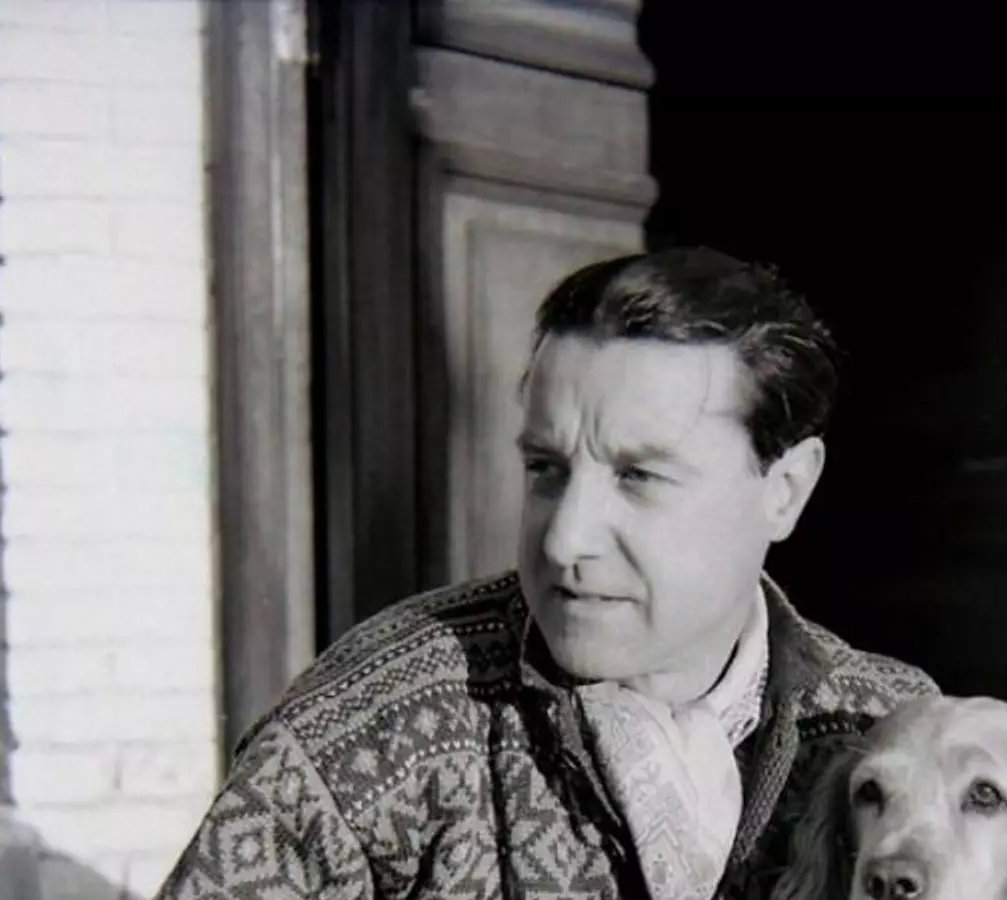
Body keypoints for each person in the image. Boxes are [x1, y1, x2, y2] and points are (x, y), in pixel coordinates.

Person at [152, 247, 939, 900]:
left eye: (639, 476)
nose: (565, 539)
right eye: (546, 468)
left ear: (785, 491)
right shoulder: (375, 722)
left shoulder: (893, 732)